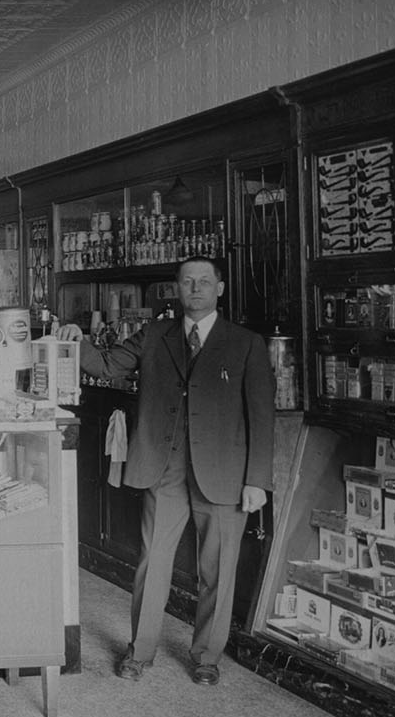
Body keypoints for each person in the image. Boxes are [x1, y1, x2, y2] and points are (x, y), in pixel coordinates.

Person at [56, 257, 274, 686]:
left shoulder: (245, 343)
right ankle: (139, 652)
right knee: (152, 562)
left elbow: (262, 417)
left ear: (220, 288)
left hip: (226, 474)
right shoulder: (155, 334)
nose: (196, 288)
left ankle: (207, 657)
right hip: (165, 469)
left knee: (218, 569)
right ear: (176, 288)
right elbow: (106, 365)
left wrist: (258, 481)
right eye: (188, 281)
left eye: (205, 281)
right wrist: (74, 339)